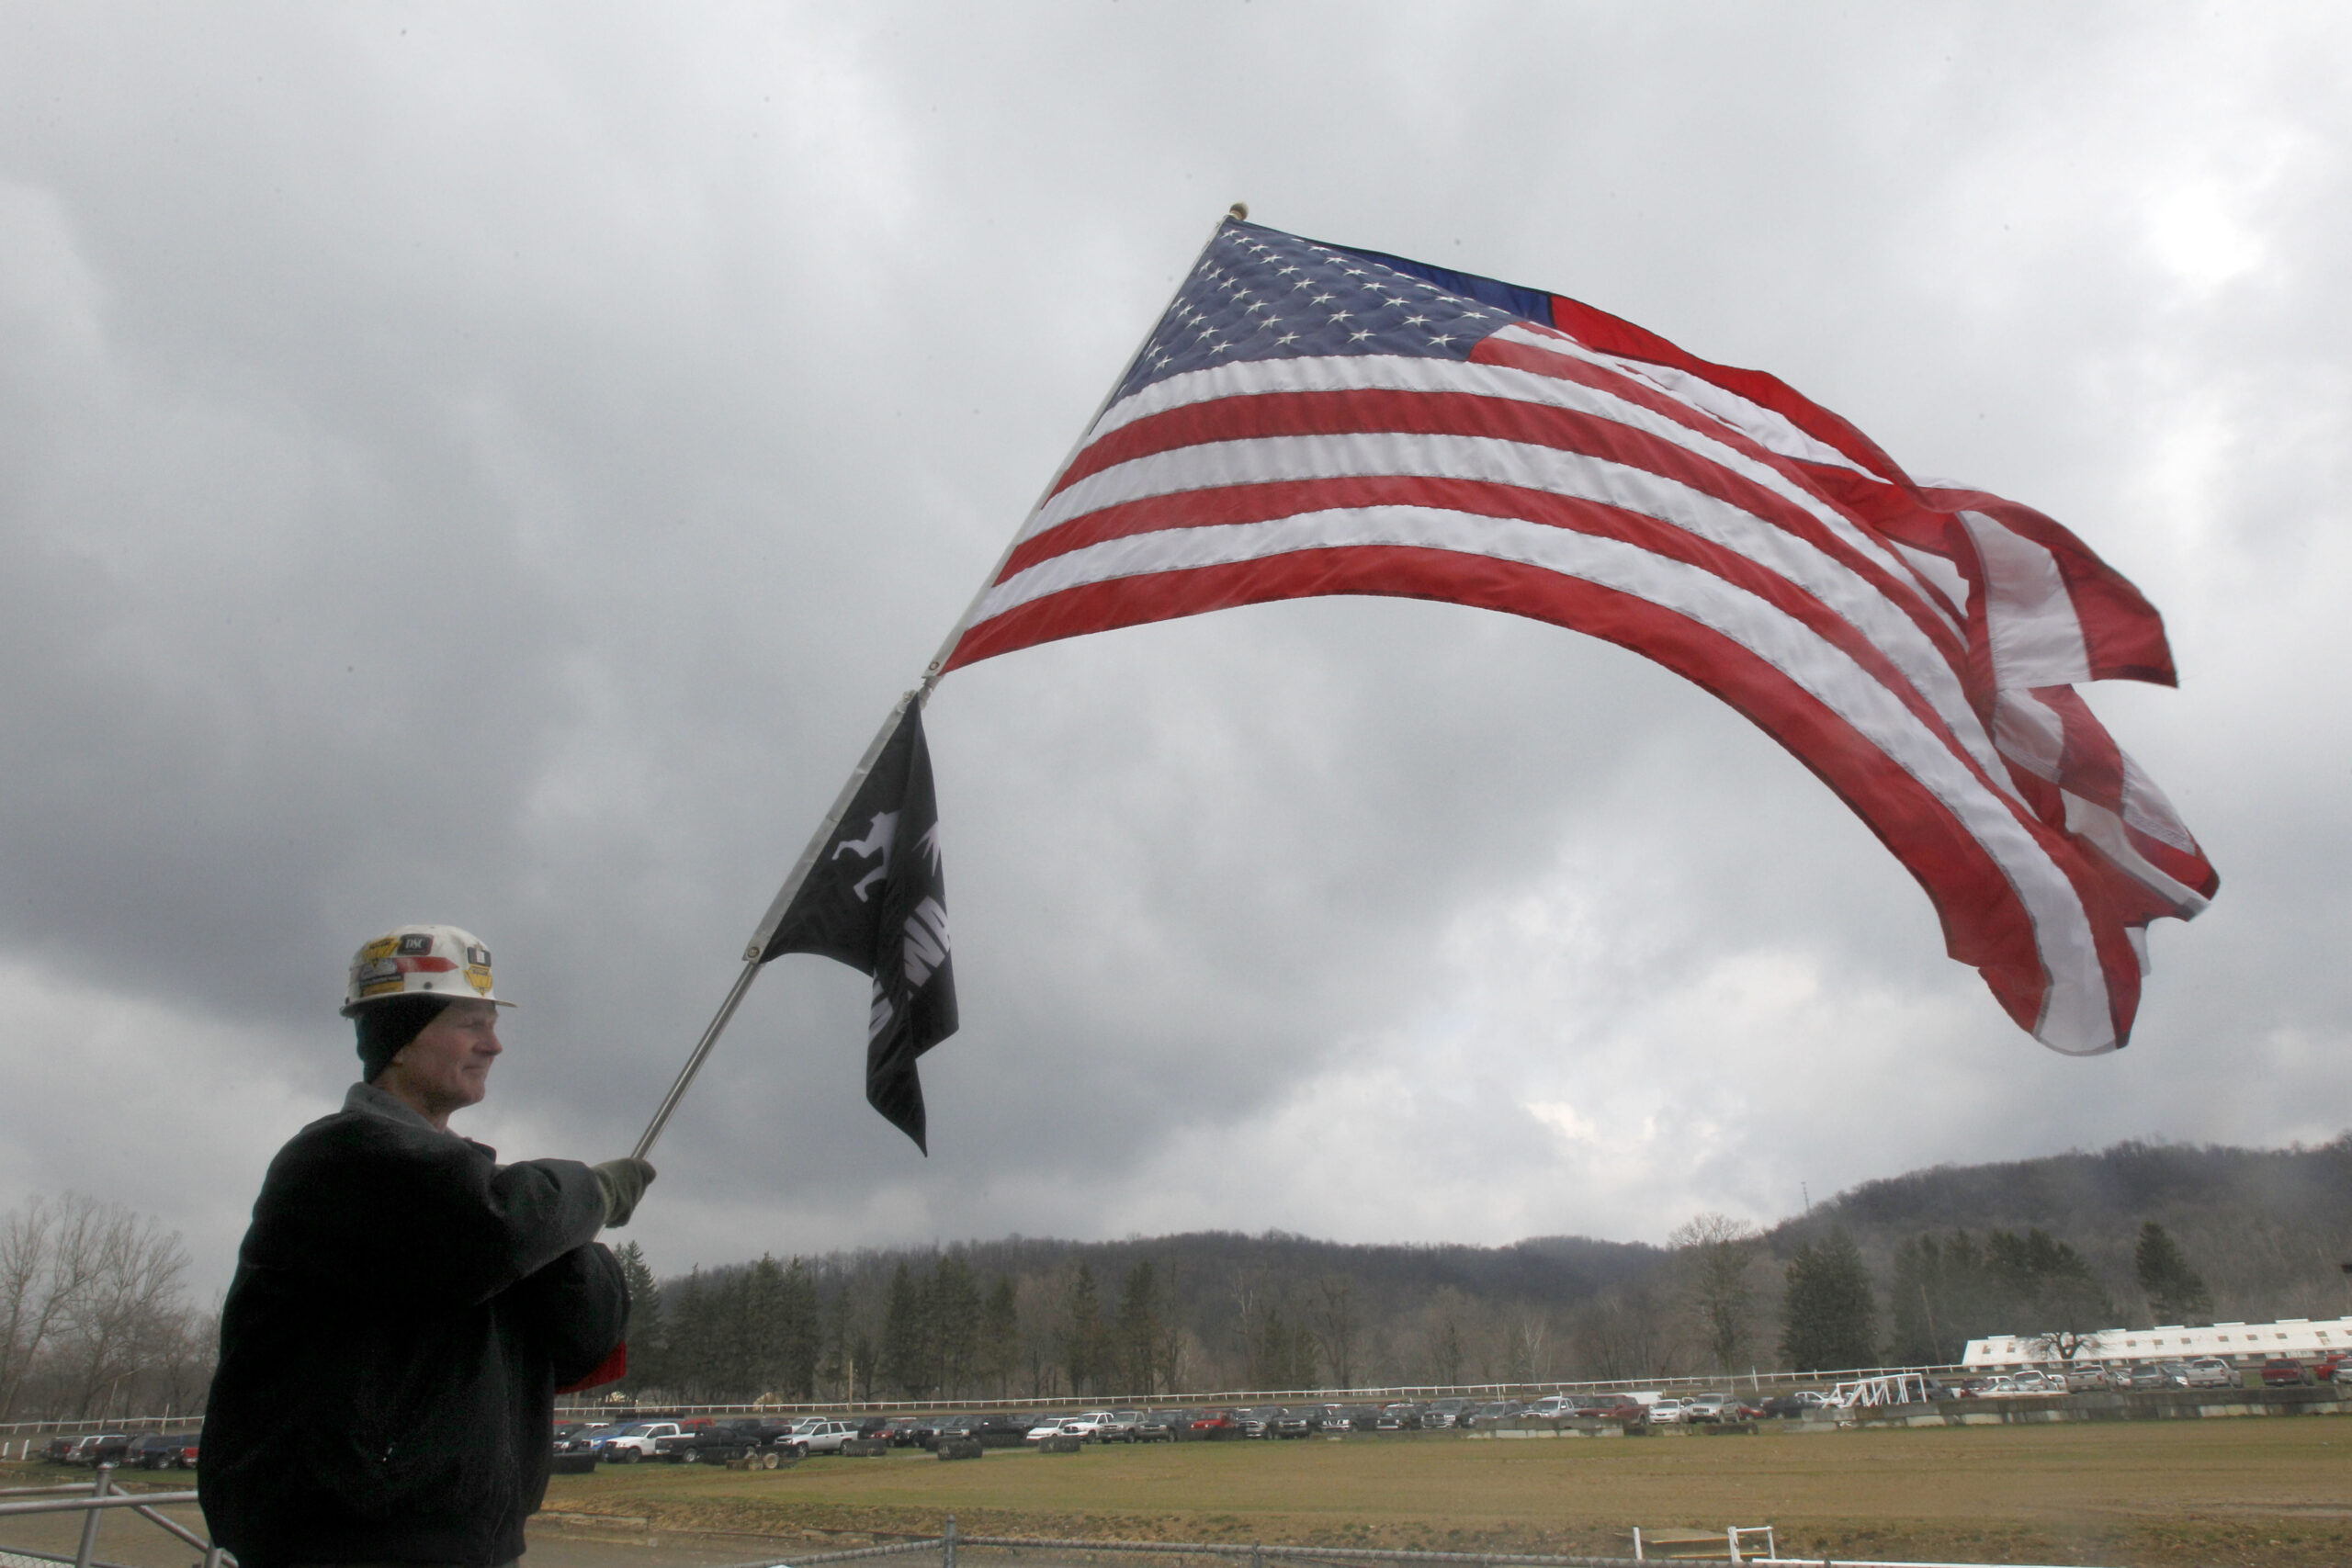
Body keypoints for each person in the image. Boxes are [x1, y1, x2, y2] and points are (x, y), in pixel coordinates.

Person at [200, 924, 655, 1568]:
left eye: (493, 1024)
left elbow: (583, 1342)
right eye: (471, 1023)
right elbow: (494, 1227)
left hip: (474, 1545)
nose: (493, 1044)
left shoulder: (459, 1201)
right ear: (400, 1039)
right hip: (348, 1544)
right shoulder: (340, 1160)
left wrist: (572, 1252)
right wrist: (592, 1194)